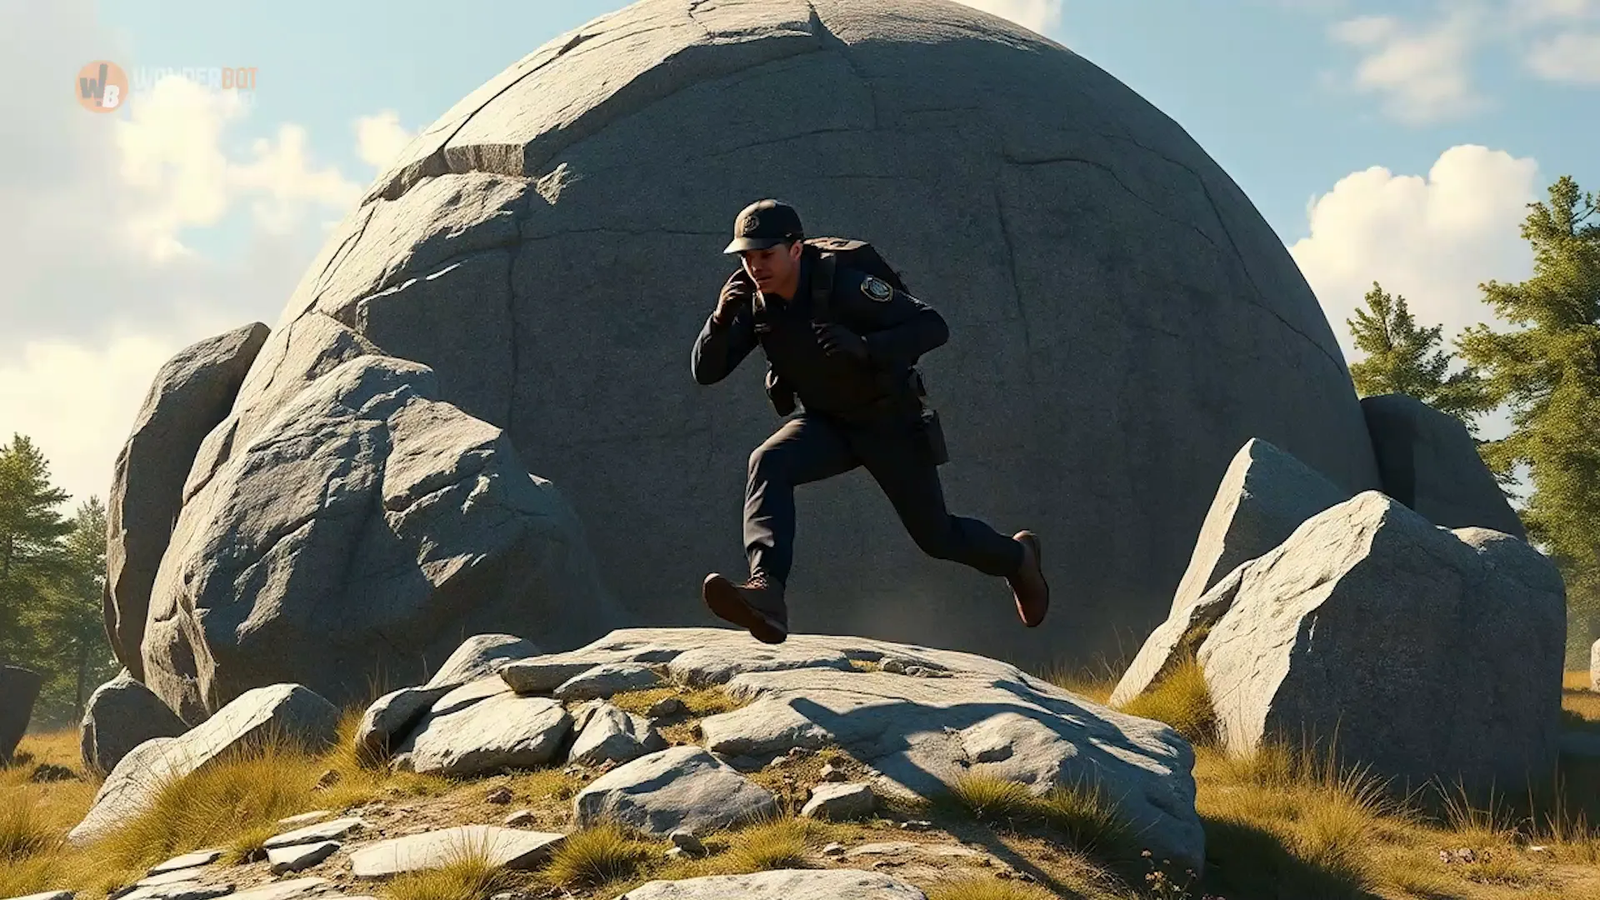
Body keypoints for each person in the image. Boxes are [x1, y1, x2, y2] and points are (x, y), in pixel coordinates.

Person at [689, 198, 1050, 644]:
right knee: (768, 461)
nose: (755, 266)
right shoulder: (751, 301)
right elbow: (705, 372)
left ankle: (1017, 557)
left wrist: (865, 346)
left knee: (937, 537)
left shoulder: (844, 286)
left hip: (889, 422)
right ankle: (767, 593)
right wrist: (721, 320)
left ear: (795, 249)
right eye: (746, 256)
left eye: (766, 255)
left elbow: (933, 326)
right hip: (827, 424)